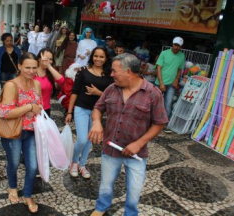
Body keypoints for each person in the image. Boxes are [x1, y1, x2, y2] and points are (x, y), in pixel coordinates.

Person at [88, 53, 168, 216]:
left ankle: (130, 213)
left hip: (136, 154)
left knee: (134, 190)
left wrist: (139, 143)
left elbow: (160, 122)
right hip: (110, 149)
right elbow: (98, 108)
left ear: (129, 72)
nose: (111, 74)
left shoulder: (153, 93)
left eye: (114, 71)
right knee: (105, 185)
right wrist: (96, 122)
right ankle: (101, 207)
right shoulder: (111, 89)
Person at [0, 52, 43, 214]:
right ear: (19, 66)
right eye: (27, 67)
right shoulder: (11, 85)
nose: (31, 71)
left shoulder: (36, 84)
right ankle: (12, 187)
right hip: (13, 132)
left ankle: (28, 195)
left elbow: (40, 105)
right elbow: (4, 113)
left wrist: (36, 110)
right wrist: (29, 107)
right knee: (14, 162)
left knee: (33, 166)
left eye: (34, 67)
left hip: (31, 132)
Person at [65, 46, 113, 179]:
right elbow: (74, 92)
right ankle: (74, 162)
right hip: (81, 108)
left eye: (101, 56)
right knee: (81, 139)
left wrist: (98, 93)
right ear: (92, 57)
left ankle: (82, 164)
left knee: (89, 141)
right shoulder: (83, 71)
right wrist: (69, 112)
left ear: (106, 58)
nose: (98, 59)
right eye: (96, 56)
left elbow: (111, 96)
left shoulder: (109, 76)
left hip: (97, 112)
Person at [155, 37, 185, 133]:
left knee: (168, 104)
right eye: (175, 45)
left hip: (171, 84)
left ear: (181, 47)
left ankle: (165, 125)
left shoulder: (182, 56)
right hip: (159, 83)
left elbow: (180, 69)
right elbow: (159, 68)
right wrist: (161, 83)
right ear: (172, 44)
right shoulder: (164, 53)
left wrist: (176, 80)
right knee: (154, 103)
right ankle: (151, 122)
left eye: (178, 46)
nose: (176, 47)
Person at [35, 48, 65, 116]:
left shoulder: (50, 72)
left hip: (46, 109)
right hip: (32, 109)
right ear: (39, 59)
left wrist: (49, 66)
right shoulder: (32, 71)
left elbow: (62, 81)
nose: (49, 61)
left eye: (50, 59)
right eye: (46, 58)